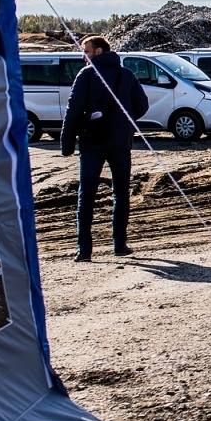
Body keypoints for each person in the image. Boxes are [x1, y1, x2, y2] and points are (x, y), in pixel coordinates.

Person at [60, 36, 149, 262]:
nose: (83, 56)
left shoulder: (86, 75)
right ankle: (119, 244)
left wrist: (67, 142)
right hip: (120, 143)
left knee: (86, 196)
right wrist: (124, 123)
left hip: (92, 143)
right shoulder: (126, 75)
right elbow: (142, 105)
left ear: (98, 52)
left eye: (86, 51)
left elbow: (73, 110)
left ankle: (84, 251)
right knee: (121, 194)